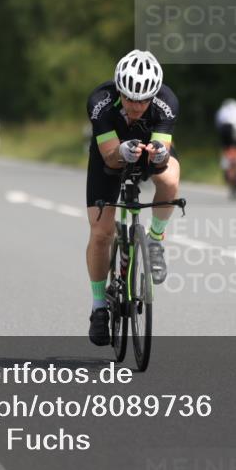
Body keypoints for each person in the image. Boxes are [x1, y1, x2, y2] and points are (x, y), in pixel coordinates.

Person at [85, 49, 180, 346]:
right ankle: (99, 307)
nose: (136, 105)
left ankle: (154, 239)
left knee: (170, 178)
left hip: (147, 153)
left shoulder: (167, 103)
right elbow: (110, 158)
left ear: (154, 95)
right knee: (101, 233)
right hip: (109, 156)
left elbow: (162, 157)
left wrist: (160, 154)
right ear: (119, 90)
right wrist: (121, 152)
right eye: (128, 98)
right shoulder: (100, 102)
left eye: (142, 99)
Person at [215, 98, 236, 197]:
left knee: (226, 149)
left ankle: (225, 166)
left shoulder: (221, 111)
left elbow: (218, 125)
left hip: (226, 128)